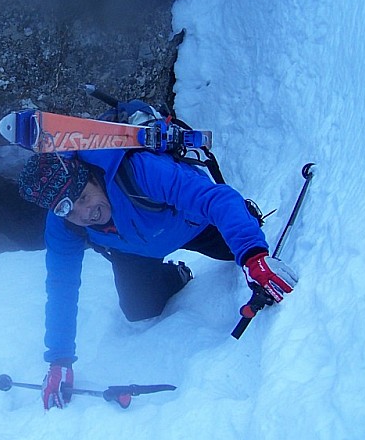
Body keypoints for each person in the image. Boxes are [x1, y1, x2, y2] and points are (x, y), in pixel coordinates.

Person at [18, 148, 298, 410]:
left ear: (92, 177)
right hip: (134, 249)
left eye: (83, 197)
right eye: (69, 210)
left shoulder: (137, 172)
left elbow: (216, 198)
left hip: (191, 224)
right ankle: (175, 274)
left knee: (237, 245)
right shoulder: (63, 226)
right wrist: (60, 358)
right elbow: (61, 286)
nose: (84, 213)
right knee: (139, 309)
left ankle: (244, 230)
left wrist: (253, 256)